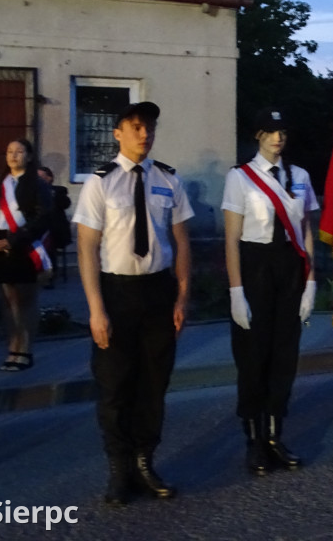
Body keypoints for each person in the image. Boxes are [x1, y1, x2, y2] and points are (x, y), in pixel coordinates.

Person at [73, 101, 193, 505]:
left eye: (150, 127)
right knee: (115, 386)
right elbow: (87, 248)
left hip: (158, 292)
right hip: (116, 294)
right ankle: (119, 470)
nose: (146, 134)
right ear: (118, 132)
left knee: (154, 383)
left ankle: (145, 463)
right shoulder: (100, 183)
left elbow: (180, 241)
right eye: (137, 127)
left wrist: (181, 294)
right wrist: (95, 309)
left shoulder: (168, 180)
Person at [223, 107, 318, 476]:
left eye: (282, 131)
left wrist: (310, 281)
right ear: (258, 135)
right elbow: (231, 237)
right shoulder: (240, 178)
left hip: (290, 270)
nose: (278, 137)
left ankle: (276, 436)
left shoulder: (301, 176)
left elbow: (306, 229)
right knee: (253, 359)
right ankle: (254, 441)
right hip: (255, 268)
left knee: (284, 357)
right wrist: (235, 289)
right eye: (271, 131)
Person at [0, 139, 53, 372]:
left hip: (24, 246)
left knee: (25, 300)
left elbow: (42, 217)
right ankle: (12, 348)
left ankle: (25, 349)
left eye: (19, 151)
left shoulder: (36, 184)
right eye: (10, 151)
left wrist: (13, 240)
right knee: (6, 300)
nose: (13, 155)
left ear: (30, 156)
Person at [38, 166, 72, 283]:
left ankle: (50, 276)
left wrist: (51, 193)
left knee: (49, 244)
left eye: (41, 177)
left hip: (56, 231)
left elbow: (66, 204)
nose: (39, 180)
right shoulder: (33, 192)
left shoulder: (57, 191)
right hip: (38, 230)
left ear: (49, 178)